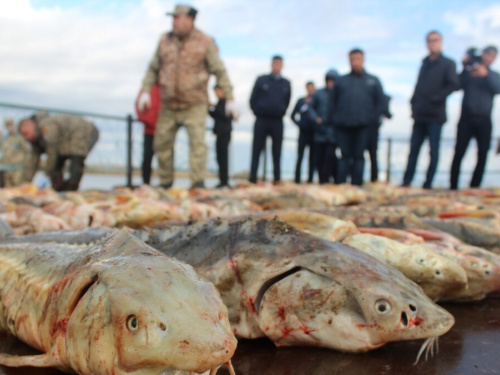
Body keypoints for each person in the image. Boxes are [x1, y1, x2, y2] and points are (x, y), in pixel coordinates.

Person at [137, 4, 236, 190]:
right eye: (173, 18)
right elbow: (153, 68)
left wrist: (229, 98)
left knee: (197, 145)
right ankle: (165, 183)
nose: (173, 22)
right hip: (169, 104)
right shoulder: (164, 41)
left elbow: (219, 70)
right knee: (162, 144)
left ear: (190, 20)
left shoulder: (205, 41)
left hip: (195, 104)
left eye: (177, 18)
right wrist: (145, 91)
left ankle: (197, 185)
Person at [402, 31, 459, 189]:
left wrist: (437, 98)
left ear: (441, 42)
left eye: (435, 40)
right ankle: (407, 181)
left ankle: (428, 183)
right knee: (413, 150)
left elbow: (454, 84)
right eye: (429, 40)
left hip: (435, 115)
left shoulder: (448, 63)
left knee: (433, 151)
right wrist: (413, 103)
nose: (432, 43)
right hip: (420, 114)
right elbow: (418, 86)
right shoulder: (424, 64)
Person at [331, 49, 385, 186]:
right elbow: (332, 103)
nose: (355, 62)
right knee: (344, 156)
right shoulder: (341, 81)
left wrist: (371, 120)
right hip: (343, 126)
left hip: (363, 126)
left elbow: (381, 103)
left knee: (359, 156)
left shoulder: (373, 81)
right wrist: (335, 121)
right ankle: (341, 185)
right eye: (352, 59)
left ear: (363, 59)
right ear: (349, 60)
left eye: (357, 59)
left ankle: (357, 185)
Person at [450, 46, 500, 189]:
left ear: (494, 58)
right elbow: (457, 85)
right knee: (459, 153)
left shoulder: (494, 75)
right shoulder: (469, 72)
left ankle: (474, 187)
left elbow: (497, 89)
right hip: (466, 119)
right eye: (486, 54)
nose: (488, 57)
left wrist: (486, 75)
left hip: (484, 120)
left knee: (482, 155)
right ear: (482, 54)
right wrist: (465, 66)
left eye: (492, 55)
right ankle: (453, 186)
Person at [18, 111, 99, 191]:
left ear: (29, 124)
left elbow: (52, 151)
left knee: (76, 160)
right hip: (65, 141)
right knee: (57, 164)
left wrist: (48, 173)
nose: (26, 138)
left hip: (83, 132)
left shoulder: (46, 126)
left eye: (26, 133)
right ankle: (58, 188)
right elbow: (33, 160)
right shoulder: (36, 139)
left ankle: (70, 188)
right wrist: (25, 183)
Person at [249, 55, 291, 184]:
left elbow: (287, 101)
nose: (277, 66)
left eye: (279, 64)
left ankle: (277, 179)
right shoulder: (261, 80)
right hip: (262, 119)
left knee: (277, 151)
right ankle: (252, 179)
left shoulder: (286, 83)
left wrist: (281, 111)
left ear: (282, 65)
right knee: (256, 150)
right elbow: (252, 99)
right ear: (271, 64)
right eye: (275, 63)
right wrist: (258, 111)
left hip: (277, 120)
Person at [309, 70, 339, 184]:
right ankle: (322, 180)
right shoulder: (318, 94)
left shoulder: (339, 94)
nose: (331, 83)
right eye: (329, 80)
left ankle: (333, 179)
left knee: (330, 157)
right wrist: (316, 118)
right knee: (319, 157)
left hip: (333, 132)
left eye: (333, 81)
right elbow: (310, 108)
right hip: (319, 130)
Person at [135, 83, 161, 185]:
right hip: (149, 130)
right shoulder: (147, 88)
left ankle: (165, 183)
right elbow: (138, 105)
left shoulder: (166, 87)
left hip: (165, 130)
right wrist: (146, 120)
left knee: (165, 158)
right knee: (147, 157)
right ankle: (146, 182)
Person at [290, 81, 316, 183]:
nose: (310, 90)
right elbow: (292, 115)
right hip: (303, 133)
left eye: (312, 88)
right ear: (306, 88)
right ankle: (297, 179)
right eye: (308, 88)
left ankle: (310, 179)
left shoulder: (316, 101)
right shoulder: (301, 101)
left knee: (312, 158)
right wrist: (300, 124)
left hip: (314, 133)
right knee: (300, 156)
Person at [209, 85, 233, 188]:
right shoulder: (219, 102)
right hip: (219, 133)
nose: (216, 94)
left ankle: (225, 181)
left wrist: (214, 107)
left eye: (217, 91)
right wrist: (210, 108)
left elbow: (224, 114)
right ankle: (222, 180)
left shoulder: (227, 102)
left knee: (223, 157)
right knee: (219, 157)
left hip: (225, 133)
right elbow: (216, 115)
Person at [366, 93, 392, 182]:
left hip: (364, 128)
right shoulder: (382, 99)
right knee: (373, 155)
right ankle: (374, 178)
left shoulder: (368, 97)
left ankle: (371, 178)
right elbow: (388, 114)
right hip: (372, 129)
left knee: (359, 156)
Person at [0, 117, 31, 187]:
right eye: (7, 125)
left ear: (14, 125)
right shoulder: (5, 138)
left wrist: (26, 165)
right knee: (7, 190)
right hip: (6, 168)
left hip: (18, 169)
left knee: (17, 188)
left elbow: (29, 151)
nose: (9, 127)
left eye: (11, 124)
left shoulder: (20, 138)